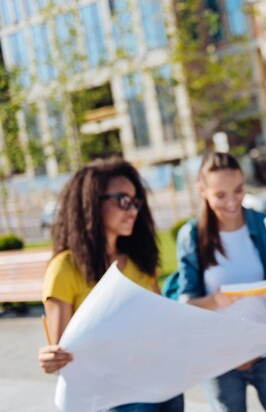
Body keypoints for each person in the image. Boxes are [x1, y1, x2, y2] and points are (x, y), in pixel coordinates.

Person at [37, 157, 184, 411]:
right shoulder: (66, 268)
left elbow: (161, 323)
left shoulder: (141, 262)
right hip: (113, 396)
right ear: (92, 203)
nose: (133, 211)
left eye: (136, 202)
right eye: (123, 200)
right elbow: (61, 352)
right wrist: (51, 359)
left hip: (162, 382)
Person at [176, 152, 266, 412]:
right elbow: (184, 304)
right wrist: (214, 301)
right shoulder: (191, 236)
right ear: (202, 190)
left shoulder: (264, 224)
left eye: (238, 190)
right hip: (221, 358)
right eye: (220, 195)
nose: (232, 202)